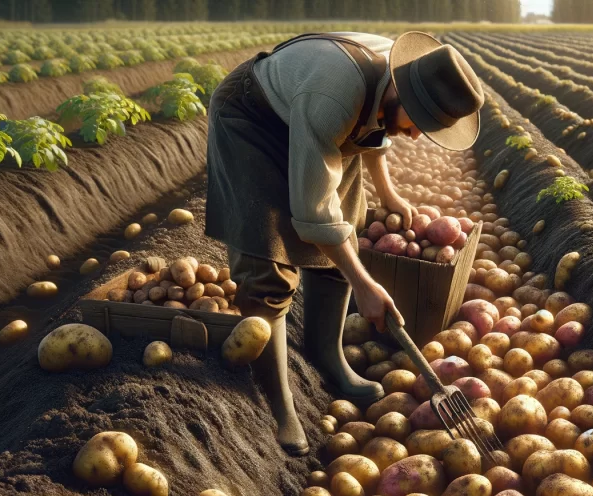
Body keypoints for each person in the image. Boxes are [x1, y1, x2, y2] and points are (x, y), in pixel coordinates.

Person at [205, 31, 484, 455]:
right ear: (399, 89)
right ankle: (277, 405)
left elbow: (375, 127)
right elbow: (313, 213)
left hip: (313, 115)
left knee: (347, 229)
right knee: (267, 262)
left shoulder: (397, 76)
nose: (413, 137)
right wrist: (365, 284)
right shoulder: (334, 95)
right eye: (417, 123)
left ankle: (326, 355)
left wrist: (386, 192)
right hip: (251, 118)